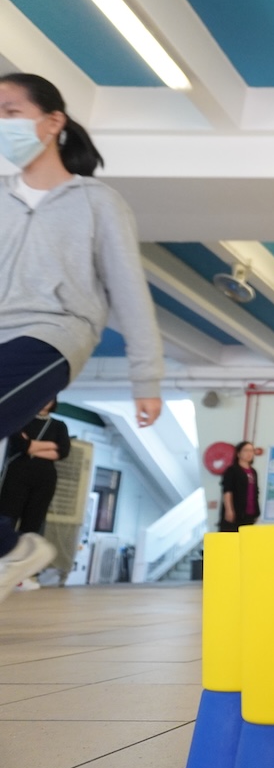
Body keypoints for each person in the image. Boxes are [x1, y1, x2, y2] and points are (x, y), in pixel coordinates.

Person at [0, 73, 163, 440]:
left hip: (52, 333)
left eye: (11, 113)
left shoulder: (98, 202)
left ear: (53, 121)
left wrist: (146, 380)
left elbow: (130, 292)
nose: (2, 124)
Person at [0, 398, 70, 589]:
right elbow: (22, 446)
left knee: (33, 522)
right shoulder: (22, 419)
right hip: (16, 475)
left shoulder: (59, 425)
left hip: (44, 479)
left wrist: (32, 445)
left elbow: (63, 451)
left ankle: (24, 575)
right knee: (7, 517)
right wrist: (49, 445)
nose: (46, 401)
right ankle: (4, 563)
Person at [218, 441, 260, 532]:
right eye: (246, 450)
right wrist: (229, 510)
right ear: (238, 453)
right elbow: (227, 491)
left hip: (250, 513)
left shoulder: (253, 471)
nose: (249, 453)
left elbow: (255, 492)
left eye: (251, 451)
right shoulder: (232, 470)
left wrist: (257, 512)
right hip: (236, 511)